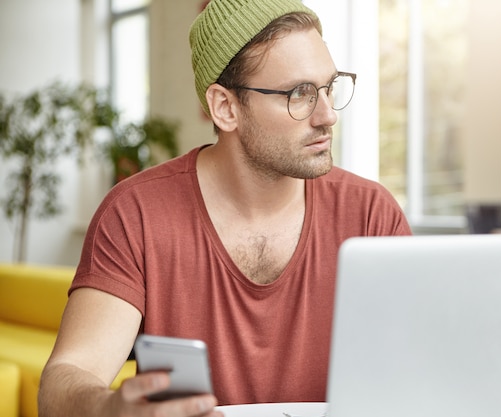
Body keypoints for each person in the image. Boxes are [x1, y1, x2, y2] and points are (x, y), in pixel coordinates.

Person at [38, 1, 412, 416]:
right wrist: (108, 409)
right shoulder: (135, 214)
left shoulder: (371, 215)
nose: (327, 115)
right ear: (225, 108)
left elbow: (423, 367)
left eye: (329, 87)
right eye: (300, 94)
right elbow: (64, 378)